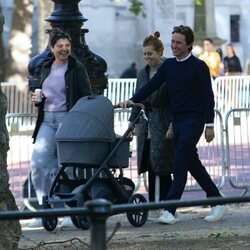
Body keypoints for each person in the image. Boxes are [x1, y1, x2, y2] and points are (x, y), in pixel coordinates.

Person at [117, 25, 228, 224]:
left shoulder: (199, 66)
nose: (174, 45)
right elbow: (151, 86)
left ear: (189, 45)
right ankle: (218, 201)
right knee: (192, 164)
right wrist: (132, 100)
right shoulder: (168, 67)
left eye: (178, 43)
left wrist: (209, 124)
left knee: (179, 165)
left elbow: (208, 97)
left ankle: (169, 210)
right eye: (173, 41)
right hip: (177, 120)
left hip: (194, 120)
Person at [29, 30, 92, 227]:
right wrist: (36, 100)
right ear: (51, 48)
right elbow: (41, 93)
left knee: (68, 167)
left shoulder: (77, 67)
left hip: (68, 120)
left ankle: (69, 213)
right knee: (38, 165)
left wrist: (79, 121)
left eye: (67, 46)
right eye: (60, 46)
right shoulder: (45, 66)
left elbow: (87, 95)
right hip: (47, 120)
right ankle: (44, 210)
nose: (64, 49)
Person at [129, 31, 174, 221]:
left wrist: (173, 123)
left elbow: (173, 99)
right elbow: (137, 95)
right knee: (150, 162)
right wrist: (132, 123)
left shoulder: (168, 70)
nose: (148, 57)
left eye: (151, 54)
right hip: (146, 122)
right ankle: (156, 203)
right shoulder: (142, 73)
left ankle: (166, 204)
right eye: (145, 54)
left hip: (163, 120)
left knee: (162, 164)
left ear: (160, 52)